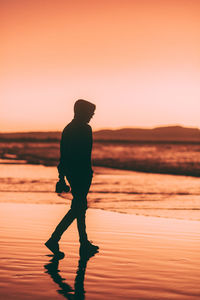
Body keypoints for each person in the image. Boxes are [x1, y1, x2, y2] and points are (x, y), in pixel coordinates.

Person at [45, 99, 99, 256]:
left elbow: (63, 155)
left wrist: (61, 176)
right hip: (81, 173)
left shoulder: (68, 129)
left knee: (79, 207)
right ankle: (54, 239)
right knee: (79, 207)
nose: (92, 116)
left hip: (71, 172)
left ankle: (84, 243)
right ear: (83, 112)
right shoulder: (85, 129)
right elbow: (85, 155)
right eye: (90, 113)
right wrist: (88, 172)